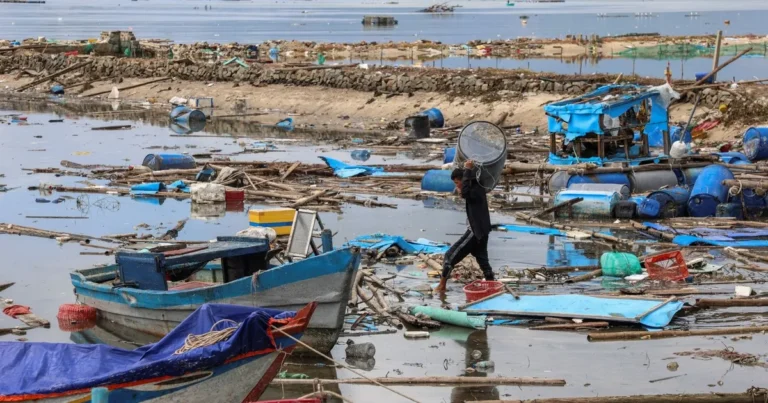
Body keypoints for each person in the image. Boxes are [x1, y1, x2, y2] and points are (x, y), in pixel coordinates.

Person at [435, 160, 494, 292]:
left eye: (457, 183)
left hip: (475, 231)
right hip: (482, 231)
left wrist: (467, 170)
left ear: (464, 179)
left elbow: (466, 192)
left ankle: (442, 286)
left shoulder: (474, 188)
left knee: (449, 256)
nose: (457, 186)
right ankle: (492, 286)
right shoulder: (477, 186)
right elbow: (465, 192)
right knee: (483, 261)